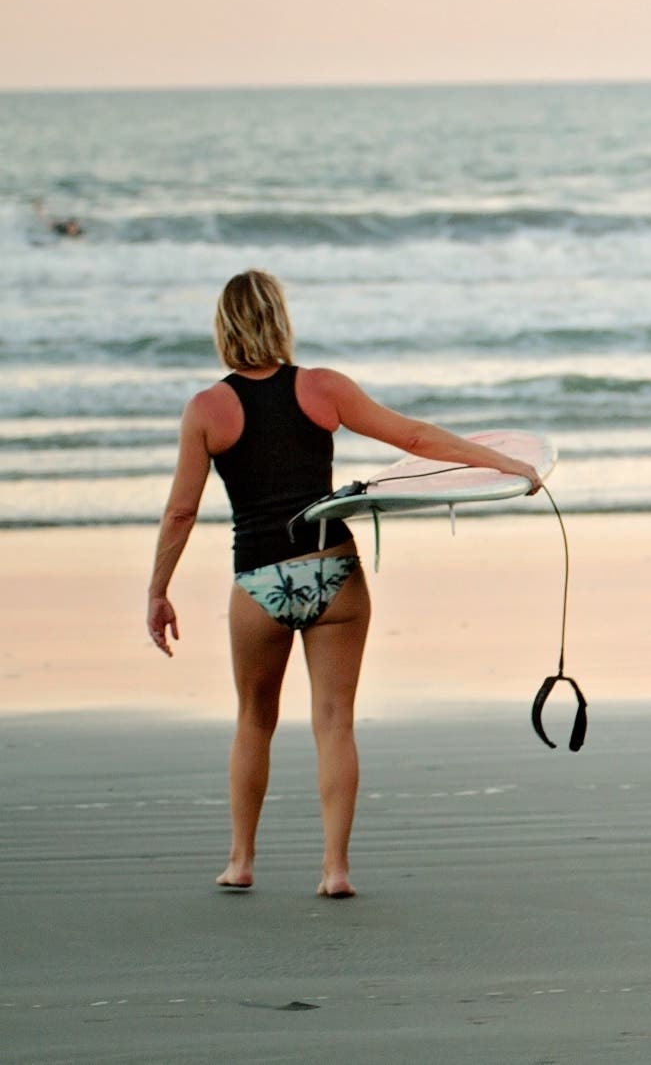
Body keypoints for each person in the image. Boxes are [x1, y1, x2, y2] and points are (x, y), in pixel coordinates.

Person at [145, 270, 543, 897]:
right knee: (335, 723)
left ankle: (241, 861)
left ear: (222, 327)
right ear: (280, 319)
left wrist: (158, 590)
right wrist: (503, 463)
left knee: (254, 721)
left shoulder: (207, 409)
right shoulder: (321, 389)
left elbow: (181, 512)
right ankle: (335, 869)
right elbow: (413, 438)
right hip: (333, 572)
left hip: (259, 581)